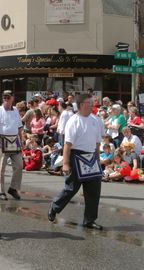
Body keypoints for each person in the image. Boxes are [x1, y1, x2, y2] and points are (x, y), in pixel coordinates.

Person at [48, 93, 104, 230]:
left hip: (91, 157)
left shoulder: (95, 120)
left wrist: (97, 160)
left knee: (94, 190)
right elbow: (67, 144)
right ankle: (55, 207)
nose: (91, 105)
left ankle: (89, 220)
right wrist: (66, 164)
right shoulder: (74, 120)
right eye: (89, 103)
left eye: (92, 103)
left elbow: (97, 143)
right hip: (76, 156)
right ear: (81, 105)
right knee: (71, 188)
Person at [0, 90, 23, 201]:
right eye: (4, 97)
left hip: (14, 141)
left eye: (8, 97)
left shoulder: (15, 110)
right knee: (1, 168)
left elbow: (19, 127)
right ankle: (1, 191)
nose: (6, 99)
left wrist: (22, 140)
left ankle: (13, 188)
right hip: (2, 140)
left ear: (12, 98)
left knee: (19, 165)